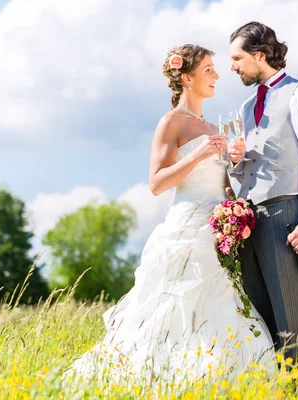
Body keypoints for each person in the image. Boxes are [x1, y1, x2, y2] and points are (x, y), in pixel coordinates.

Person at [61, 44, 275, 388]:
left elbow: (224, 185)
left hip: (215, 235)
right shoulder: (171, 122)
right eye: (208, 70)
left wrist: (235, 165)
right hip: (186, 229)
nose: (217, 75)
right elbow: (157, 183)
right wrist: (199, 154)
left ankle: (218, 383)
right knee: (171, 312)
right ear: (187, 78)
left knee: (219, 310)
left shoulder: (211, 124)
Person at [226, 22, 298, 368]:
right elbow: (247, 172)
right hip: (249, 221)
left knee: (293, 321)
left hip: (287, 216)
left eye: (237, 57)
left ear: (260, 55)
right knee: (259, 320)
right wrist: (235, 161)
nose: (233, 66)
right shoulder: (246, 108)